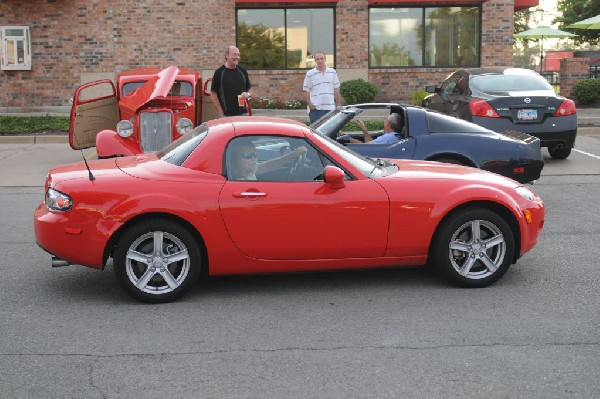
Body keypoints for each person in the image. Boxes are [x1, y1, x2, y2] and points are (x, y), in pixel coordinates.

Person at [230, 139, 308, 180]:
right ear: (236, 160)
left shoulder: (249, 173)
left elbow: (267, 166)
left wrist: (292, 155)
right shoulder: (241, 181)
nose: (253, 158)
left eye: (255, 154)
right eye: (247, 155)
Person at [210, 46, 252, 117]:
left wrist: (247, 94)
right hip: (226, 115)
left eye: (238, 55)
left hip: (243, 114)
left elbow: (250, 89)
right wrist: (221, 112)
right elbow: (213, 94)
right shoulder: (219, 72)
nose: (237, 57)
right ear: (226, 55)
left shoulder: (242, 71)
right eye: (234, 54)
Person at [303, 51, 342, 123]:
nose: (320, 61)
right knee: (316, 132)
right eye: (317, 59)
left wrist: (338, 105)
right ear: (315, 60)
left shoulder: (332, 72)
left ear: (325, 59)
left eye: (321, 58)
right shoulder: (310, 74)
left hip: (330, 108)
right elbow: (306, 90)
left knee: (331, 132)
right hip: (316, 110)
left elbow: (336, 89)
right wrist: (310, 105)